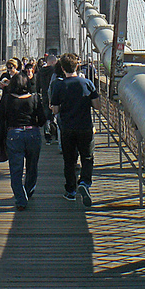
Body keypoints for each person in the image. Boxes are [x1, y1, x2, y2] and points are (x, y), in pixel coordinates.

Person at [50, 53, 99, 206]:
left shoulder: (58, 85)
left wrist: (54, 108)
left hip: (67, 128)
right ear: (77, 66)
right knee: (87, 157)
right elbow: (97, 106)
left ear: (62, 68)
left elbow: (56, 110)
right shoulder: (87, 83)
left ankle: (71, 191)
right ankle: (84, 182)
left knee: (69, 161)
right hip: (85, 127)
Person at [0, 64, 46, 210]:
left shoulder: (7, 100)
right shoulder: (35, 99)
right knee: (32, 167)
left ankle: (20, 199)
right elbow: (42, 120)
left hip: (14, 135)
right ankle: (28, 191)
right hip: (33, 135)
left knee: (16, 170)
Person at [37, 54, 59, 145]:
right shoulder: (55, 71)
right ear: (54, 62)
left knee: (47, 116)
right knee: (56, 115)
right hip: (55, 95)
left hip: (44, 96)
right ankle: (57, 136)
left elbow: (37, 85)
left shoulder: (40, 71)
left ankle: (48, 137)